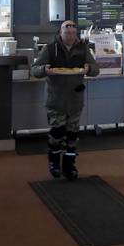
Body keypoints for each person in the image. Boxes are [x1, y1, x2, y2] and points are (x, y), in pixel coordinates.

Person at [31, 20, 99, 180]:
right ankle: (54, 163)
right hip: (56, 99)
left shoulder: (83, 49)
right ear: (60, 33)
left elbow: (95, 69)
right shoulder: (50, 49)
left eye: (73, 33)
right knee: (57, 132)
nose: (70, 35)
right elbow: (35, 70)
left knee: (72, 135)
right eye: (67, 32)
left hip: (75, 99)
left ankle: (69, 166)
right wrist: (45, 69)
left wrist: (89, 69)